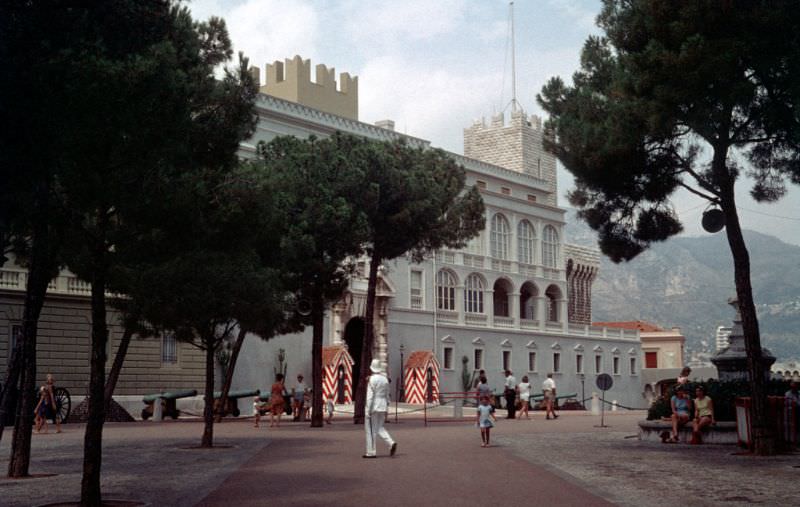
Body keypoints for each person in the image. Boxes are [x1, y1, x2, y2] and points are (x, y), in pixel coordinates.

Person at [364, 359, 396, 458]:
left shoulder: (371, 379)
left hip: (374, 406)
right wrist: (387, 405)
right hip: (382, 405)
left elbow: (370, 396)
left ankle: (371, 452)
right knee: (379, 427)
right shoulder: (385, 379)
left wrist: (368, 410)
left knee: (370, 430)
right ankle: (391, 442)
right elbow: (387, 394)